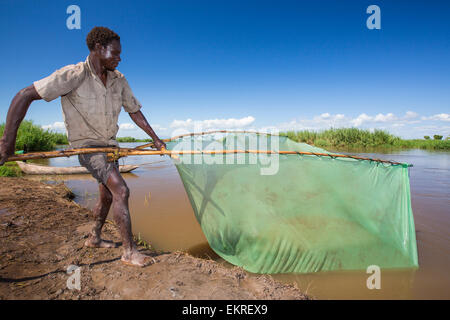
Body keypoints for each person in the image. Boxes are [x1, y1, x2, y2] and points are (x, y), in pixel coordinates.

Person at [0, 26, 166, 267]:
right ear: (98, 49)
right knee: (121, 190)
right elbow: (23, 95)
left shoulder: (119, 80)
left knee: (107, 196)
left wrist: (156, 138)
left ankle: (94, 237)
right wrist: (7, 144)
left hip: (111, 147)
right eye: (115, 53)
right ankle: (129, 252)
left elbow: (135, 112)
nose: (120, 58)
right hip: (87, 148)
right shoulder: (73, 75)